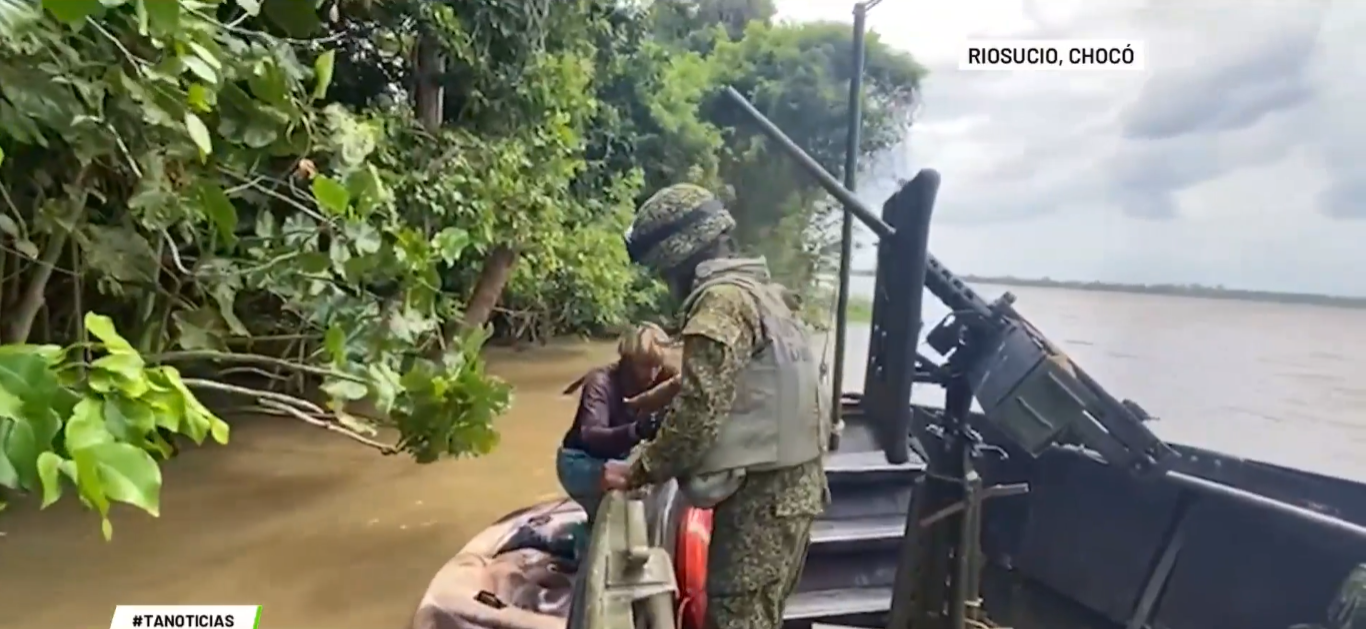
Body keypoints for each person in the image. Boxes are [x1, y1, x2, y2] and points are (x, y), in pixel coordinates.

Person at [602, 183, 831, 629]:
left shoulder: (721, 301)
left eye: (665, 271)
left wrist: (638, 470)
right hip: (794, 492)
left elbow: (699, 415)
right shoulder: (763, 294)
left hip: (763, 503)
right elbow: (747, 380)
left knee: (736, 618)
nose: (668, 283)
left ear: (678, 255)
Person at [556, 323, 680, 533]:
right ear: (627, 359)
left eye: (656, 365)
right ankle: (577, 539)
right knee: (606, 528)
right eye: (644, 365)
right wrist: (637, 430)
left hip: (622, 457)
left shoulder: (666, 376)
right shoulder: (601, 382)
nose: (651, 374)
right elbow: (591, 436)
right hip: (580, 461)